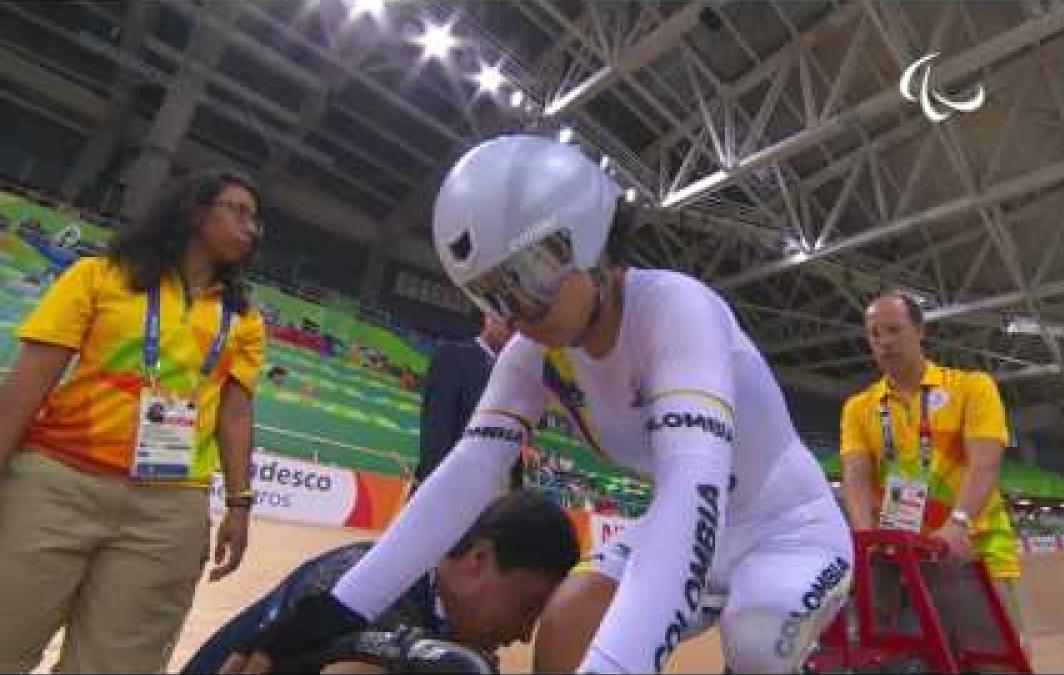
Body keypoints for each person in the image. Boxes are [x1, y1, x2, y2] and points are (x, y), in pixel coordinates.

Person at [220, 135, 852, 674]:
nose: (516, 311)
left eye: (525, 276)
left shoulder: (675, 309)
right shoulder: (534, 351)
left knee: (758, 634)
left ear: (589, 240)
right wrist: (323, 617)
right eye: (493, 295)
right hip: (698, 523)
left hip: (788, 528)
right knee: (567, 619)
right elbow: (466, 476)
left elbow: (693, 489)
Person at [0, 168, 266, 672]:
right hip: (57, 483)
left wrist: (239, 505)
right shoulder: (98, 276)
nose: (251, 228)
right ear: (194, 210)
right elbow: (29, 383)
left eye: (257, 220)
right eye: (238, 211)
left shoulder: (245, 320)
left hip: (170, 512)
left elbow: (235, 416)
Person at [194, 490, 579, 674]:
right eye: (529, 607)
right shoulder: (355, 581)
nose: (526, 634)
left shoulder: (439, 615)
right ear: (479, 559)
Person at [838, 292, 1024, 656]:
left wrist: (958, 523)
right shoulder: (859, 407)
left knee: (994, 659)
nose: (884, 342)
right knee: (882, 655)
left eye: (894, 330)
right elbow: (855, 478)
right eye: (875, 334)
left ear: (919, 331)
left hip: (971, 548)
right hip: (895, 556)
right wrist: (864, 539)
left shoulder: (972, 387)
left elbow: (984, 463)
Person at [414, 314, 520, 493]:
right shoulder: (452, 356)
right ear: (489, 317)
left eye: (519, 329)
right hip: (450, 486)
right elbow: (437, 428)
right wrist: (436, 487)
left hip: (495, 496)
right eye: (509, 325)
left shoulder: (518, 375)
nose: (513, 333)